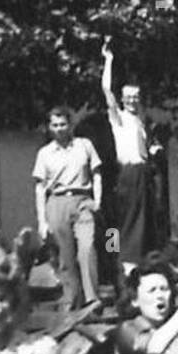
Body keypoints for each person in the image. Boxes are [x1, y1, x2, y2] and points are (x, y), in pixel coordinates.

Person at [32, 106, 102, 311]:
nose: (59, 129)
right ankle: (72, 298)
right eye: (55, 125)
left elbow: (97, 173)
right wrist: (42, 221)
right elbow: (39, 189)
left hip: (82, 201)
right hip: (57, 203)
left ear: (70, 125)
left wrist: (97, 200)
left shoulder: (84, 145)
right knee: (65, 256)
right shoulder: (44, 153)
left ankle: (92, 299)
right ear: (49, 127)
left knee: (87, 248)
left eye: (63, 124)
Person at [102, 38, 157, 274]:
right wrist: (109, 60)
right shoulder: (119, 119)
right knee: (129, 222)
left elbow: (146, 148)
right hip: (129, 174)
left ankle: (141, 266)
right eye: (128, 97)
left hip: (144, 173)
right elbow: (106, 90)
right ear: (122, 99)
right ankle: (124, 267)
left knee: (145, 223)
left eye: (136, 96)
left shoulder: (141, 121)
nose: (133, 100)